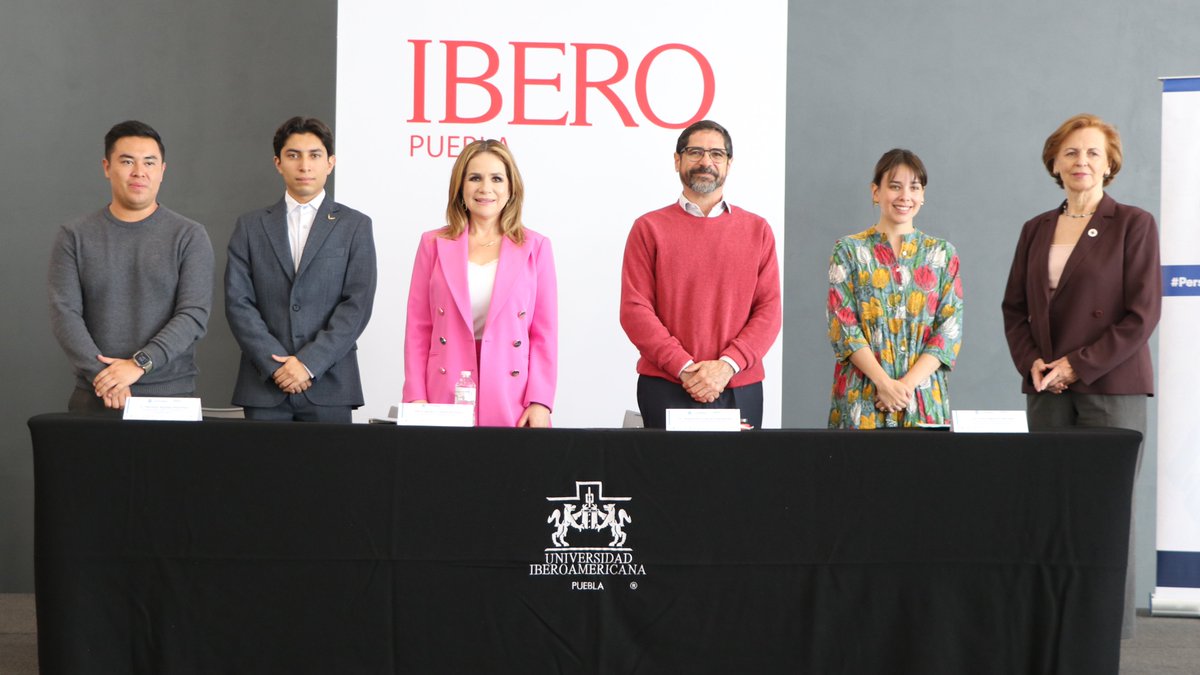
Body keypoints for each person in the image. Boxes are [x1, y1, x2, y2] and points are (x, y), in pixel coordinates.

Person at [1001, 113, 1160, 639]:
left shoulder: (1134, 224)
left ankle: (1107, 627)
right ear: (1054, 162)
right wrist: (1034, 363)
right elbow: (1015, 308)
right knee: (1051, 507)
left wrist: (1078, 365)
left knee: (1108, 510)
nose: (1081, 162)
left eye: (1093, 153)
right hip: (1048, 388)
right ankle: (1053, 620)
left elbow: (1141, 316)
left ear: (1110, 163)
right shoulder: (1035, 229)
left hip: (1111, 387)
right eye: (1070, 153)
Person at [620, 120, 781, 429]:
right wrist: (685, 368)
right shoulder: (648, 229)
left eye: (717, 154)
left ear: (729, 164)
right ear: (677, 160)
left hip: (738, 384)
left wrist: (725, 367)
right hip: (666, 384)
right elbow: (634, 310)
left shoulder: (757, 230)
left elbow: (769, 311)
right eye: (695, 152)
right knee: (666, 478)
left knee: (737, 477)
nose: (706, 162)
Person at [48, 120, 213, 414]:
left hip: (170, 397)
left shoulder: (189, 236)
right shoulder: (74, 235)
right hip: (95, 394)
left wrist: (139, 364)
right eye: (127, 161)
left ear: (162, 170)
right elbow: (65, 314)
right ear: (106, 167)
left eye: (149, 162)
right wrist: (104, 377)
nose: (139, 172)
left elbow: (194, 314)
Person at [225, 117, 377, 423]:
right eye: (293, 155)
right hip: (265, 383)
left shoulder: (355, 226)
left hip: (330, 383)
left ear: (330, 163)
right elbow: (238, 303)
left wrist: (309, 363)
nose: (304, 165)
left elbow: (357, 305)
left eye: (315, 155)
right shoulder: (251, 226)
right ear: (278, 163)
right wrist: (277, 366)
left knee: (329, 472)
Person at [403, 139, 557, 427]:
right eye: (475, 178)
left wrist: (540, 401)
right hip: (444, 388)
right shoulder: (432, 244)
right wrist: (415, 398)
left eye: (496, 178)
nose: (485, 188)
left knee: (511, 471)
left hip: (513, 392)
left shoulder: (536, 247)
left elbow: (544, 334)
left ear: (511, 188)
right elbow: (418, 329)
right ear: (460, 187)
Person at [826, 149, 963, 429]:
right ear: (876, 192)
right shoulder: (849, 251)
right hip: (861, 399)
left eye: (914, 187)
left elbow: (949, 330)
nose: (905, 196)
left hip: (923, 401)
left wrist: (904, 388)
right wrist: (882, 383)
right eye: (895, 186)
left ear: (923, 195)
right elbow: (844, 327)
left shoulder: (942, 254)